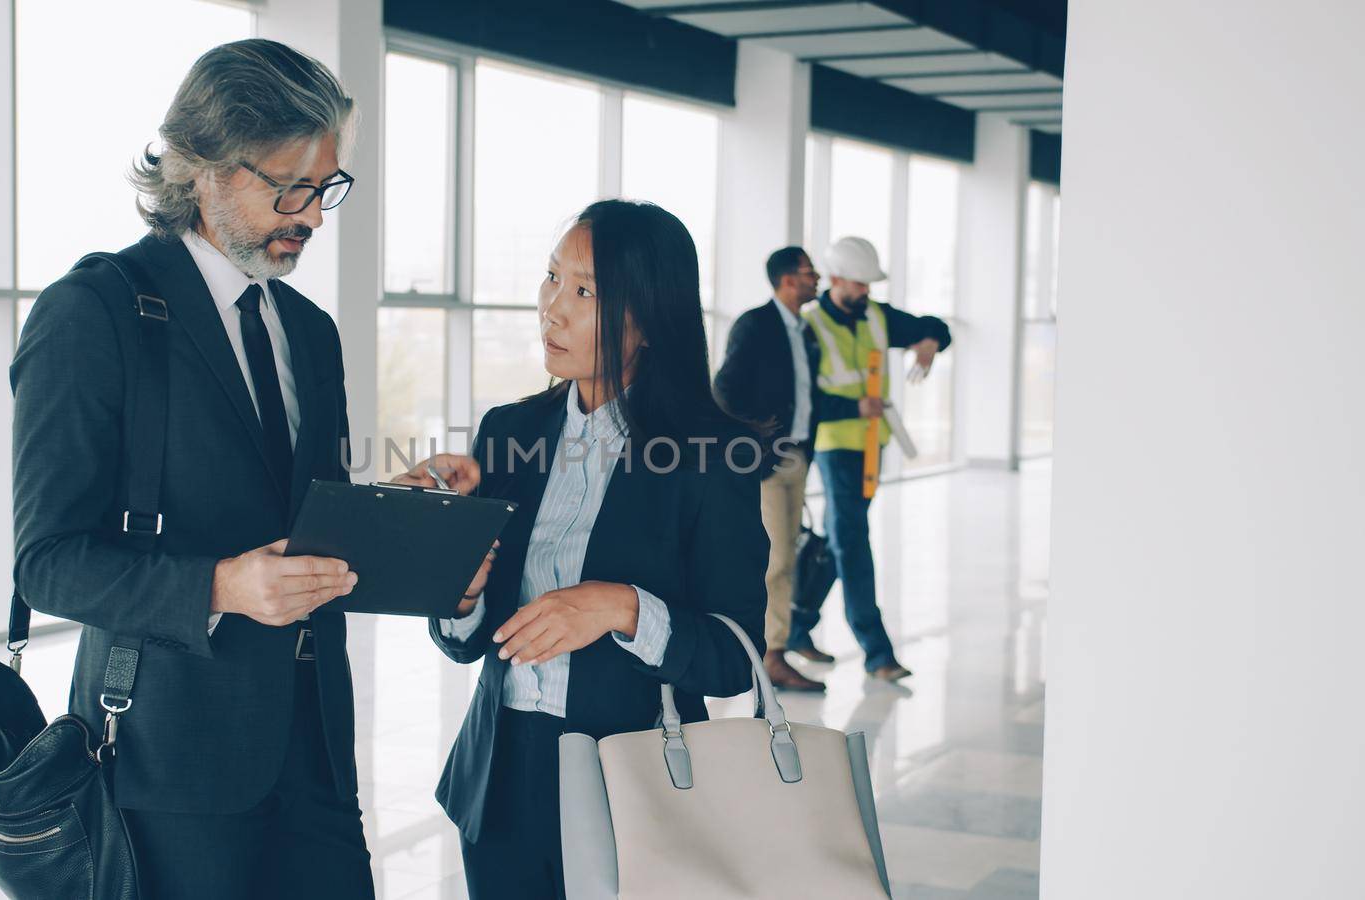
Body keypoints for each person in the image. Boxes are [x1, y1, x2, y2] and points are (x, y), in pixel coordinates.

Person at [10, 40, 373, 898]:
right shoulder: (91, 314)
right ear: (201, 167)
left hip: (317, 751)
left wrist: (413, 521)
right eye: (289, 186)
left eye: (325, 189)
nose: (313, 216)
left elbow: (316, 523)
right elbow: (47, 560)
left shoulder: (311, 331)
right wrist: (218, 586)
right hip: (166, 767)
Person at [399, 200, 767, 900]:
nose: (552, 309)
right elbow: (465, 640)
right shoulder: (509, 431)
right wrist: (460, 579)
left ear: (648, 318)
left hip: (630, 781)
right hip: (501, 778)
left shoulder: (712, 457)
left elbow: (734, 656)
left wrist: (623, 608)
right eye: (551, 278)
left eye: (585, 291)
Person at [802, 236, 952, 683]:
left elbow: (936, 325)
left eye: (869, 284)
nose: (866, 292)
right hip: (835, 445)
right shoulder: (811, 326)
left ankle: (794, 627)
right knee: (852, 541)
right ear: (834, 280)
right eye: (859, 284)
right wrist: (852, 408)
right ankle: (876, 651)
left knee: (838, 538)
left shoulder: (876, 316)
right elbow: (805, 396)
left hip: (872, 445)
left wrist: (930, 343)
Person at [713, 246, 831, 692]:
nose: (816, 278)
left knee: (785, 560)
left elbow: (804, 395)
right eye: (808, 272)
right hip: (764, 462)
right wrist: (750, 451)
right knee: (776, 558)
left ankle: (772, 648)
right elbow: (725, 390)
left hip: (798, 456)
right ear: (786, 279)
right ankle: (768, 655)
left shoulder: (804, 331)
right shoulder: (755, 325)